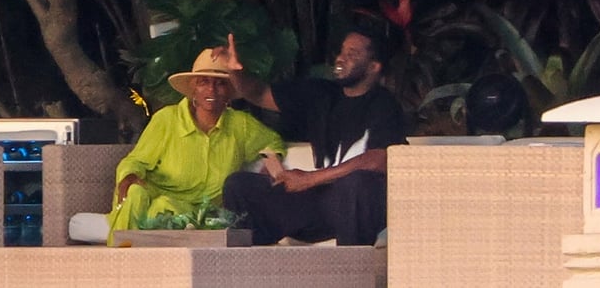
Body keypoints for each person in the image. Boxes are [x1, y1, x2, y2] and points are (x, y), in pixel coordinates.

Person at [217, 28, 406, 246]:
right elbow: (258, 94)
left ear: (374, 67)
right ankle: (247, 270)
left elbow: (380, 158)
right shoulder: (321, 94)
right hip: (318, 202)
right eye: (342, 51)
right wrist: (234, 71)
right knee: (239, 185)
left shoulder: (384, 104)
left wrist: (310, 179)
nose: (341, 58)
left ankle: (353, 272)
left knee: (357, 184)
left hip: (359, 208)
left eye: (352, 54)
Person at [101, 48, 286, 245]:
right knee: (141, 197)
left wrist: (270, 164)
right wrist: (129, 177)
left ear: (229, 92)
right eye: (203, 82)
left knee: (189, 220)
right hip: (160, 198)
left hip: (203, 214)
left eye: (220, 84)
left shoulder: (240, 125)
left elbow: (273, 143)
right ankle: (120, 259)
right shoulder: (167, 119)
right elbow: (135, 160)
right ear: (193, 89)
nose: (211, 91)